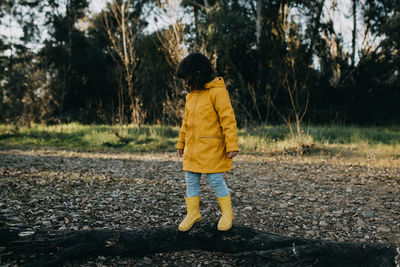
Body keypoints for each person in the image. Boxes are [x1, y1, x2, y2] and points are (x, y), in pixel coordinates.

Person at [176, 52, 239, 232]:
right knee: (190, 179)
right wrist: (181, 143)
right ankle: (193, 212)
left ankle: (227, 213)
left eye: (187, 78)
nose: (185, 83)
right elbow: (185, 123)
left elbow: (228, 120)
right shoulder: (190, 97)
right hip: (193, 149)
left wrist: (232, 144)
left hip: (212, 148)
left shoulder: (218, 93)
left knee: (215, 179)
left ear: (198, 74)